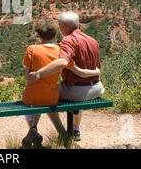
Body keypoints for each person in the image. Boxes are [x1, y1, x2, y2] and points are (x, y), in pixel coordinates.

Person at [21, 18, 100, 148]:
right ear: (55, 33)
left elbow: (27, 76)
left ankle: (33, 128)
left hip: (31, 96)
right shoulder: (60, 52)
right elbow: (79, 72)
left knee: (31, 98)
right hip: (52, 96)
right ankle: (63, 135)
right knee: (45, 99)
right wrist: (95, 72)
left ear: (38, 34)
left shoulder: (31, 49)